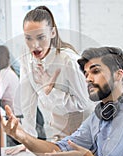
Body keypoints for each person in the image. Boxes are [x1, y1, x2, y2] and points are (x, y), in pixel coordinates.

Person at [18, 5, 93, 143]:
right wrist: (29, 140)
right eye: (28, 38)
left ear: (52, 33)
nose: (35, 45)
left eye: (41, 37)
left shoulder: (69, 61)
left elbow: (83, 103)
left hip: (81, 135)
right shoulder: (26, 56)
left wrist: (50, 90)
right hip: (55, 133)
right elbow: (27, 100)